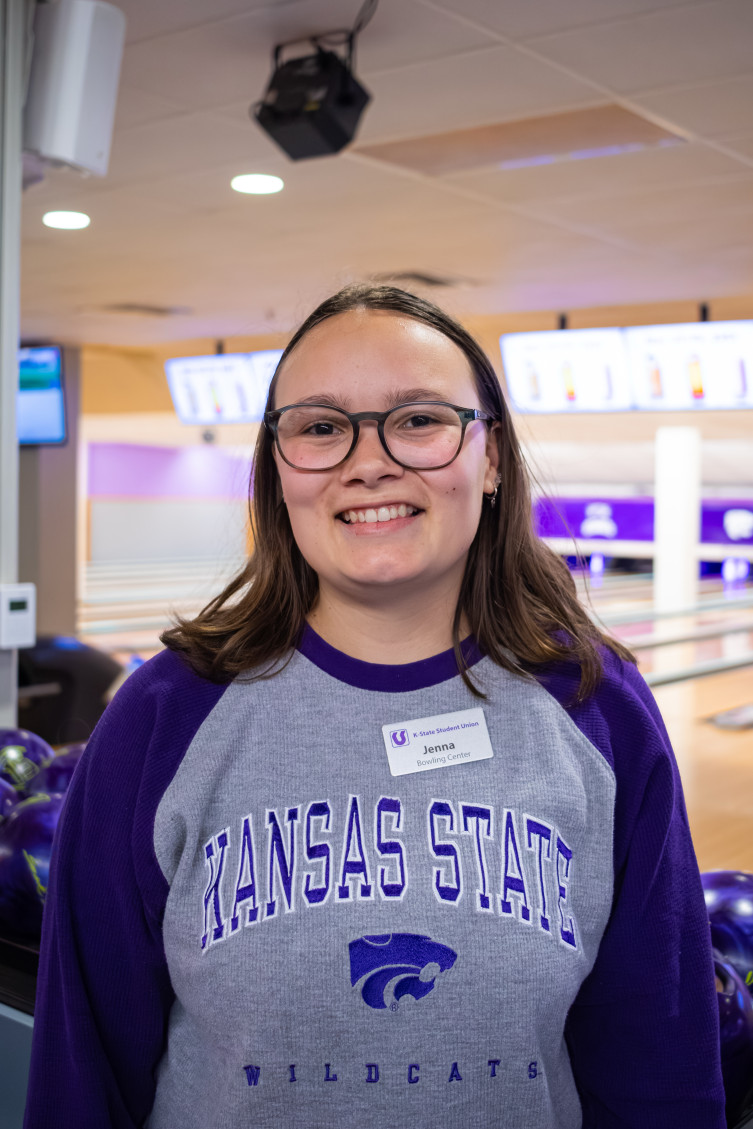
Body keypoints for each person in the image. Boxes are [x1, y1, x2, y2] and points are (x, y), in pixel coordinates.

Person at [24, 285, 725, 1129]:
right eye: (321, 426)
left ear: (491, 458)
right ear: (277, 467)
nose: (368, 461)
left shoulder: (596, 709)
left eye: (418, 418)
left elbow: (658, 1061)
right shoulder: (165, 713)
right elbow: (84, 1068)